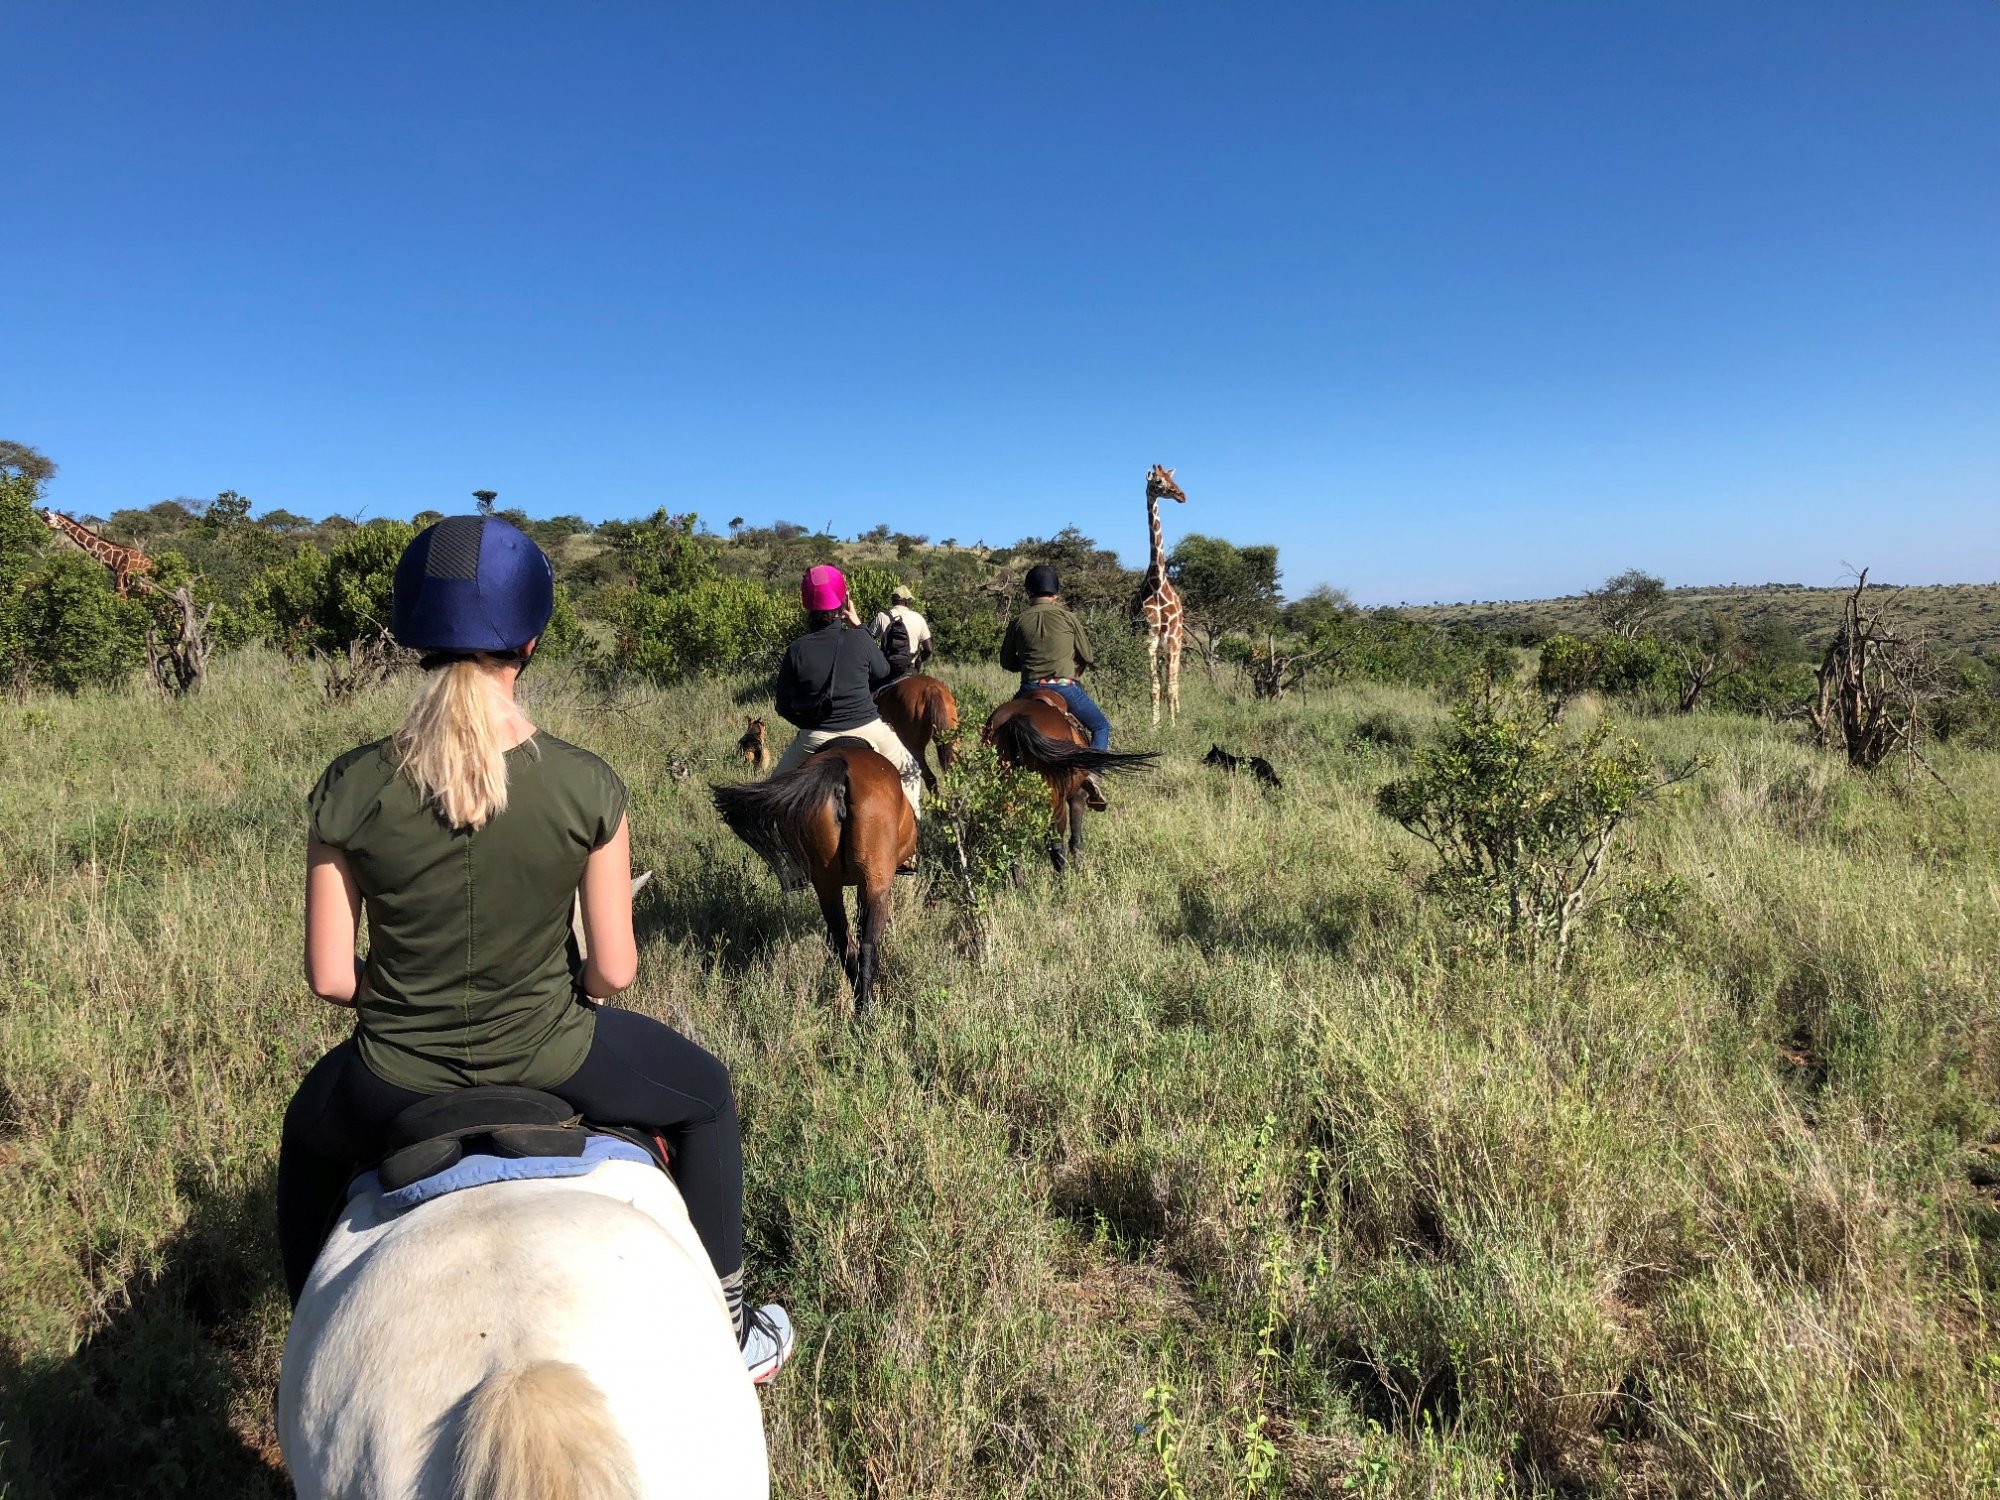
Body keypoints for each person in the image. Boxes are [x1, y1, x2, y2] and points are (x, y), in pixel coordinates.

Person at [276, 515, 794, 1384]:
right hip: (556, 1052)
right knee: (705, 1097)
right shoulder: (587, 783)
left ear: (413, 638)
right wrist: (566, 983)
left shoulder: (349, 785)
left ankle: (307, 1357)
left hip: (393, 1072)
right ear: (530, 640)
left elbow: (331, 976)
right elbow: (613, 971)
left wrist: (405, 996)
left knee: (305, 1138)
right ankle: (735, 1332)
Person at [772, 565, 924, 853]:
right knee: (912, 771)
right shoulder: (859, 638)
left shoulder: (797, 649)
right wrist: (858, 627)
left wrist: (807, 724)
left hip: (815, 735)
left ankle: (789, 862)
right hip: (869, 729)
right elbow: (883, 671)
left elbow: (783, 705)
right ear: (843, 602)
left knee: (775, 790)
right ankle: (909, 849)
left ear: (807, 605)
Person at [999, 564, 1112, 808]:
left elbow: (1006, 662)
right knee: (1101, 726)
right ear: (1055, 593)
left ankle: (998, 781)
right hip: (1065, 687)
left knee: (999, 728)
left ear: (1029, 592)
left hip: (1029, 688)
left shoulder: (1018, 621)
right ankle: (1094, 774)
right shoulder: (1068, 618)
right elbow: (1087, 656)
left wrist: (1028, 663)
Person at [869, 583, 932, 679]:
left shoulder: (882, 616)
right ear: (906, 602)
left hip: (887, 668)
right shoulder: (918, 618)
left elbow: (868, 640)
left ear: (893, 601)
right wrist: (918, 661)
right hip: (910, 668)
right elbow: (928, 649)